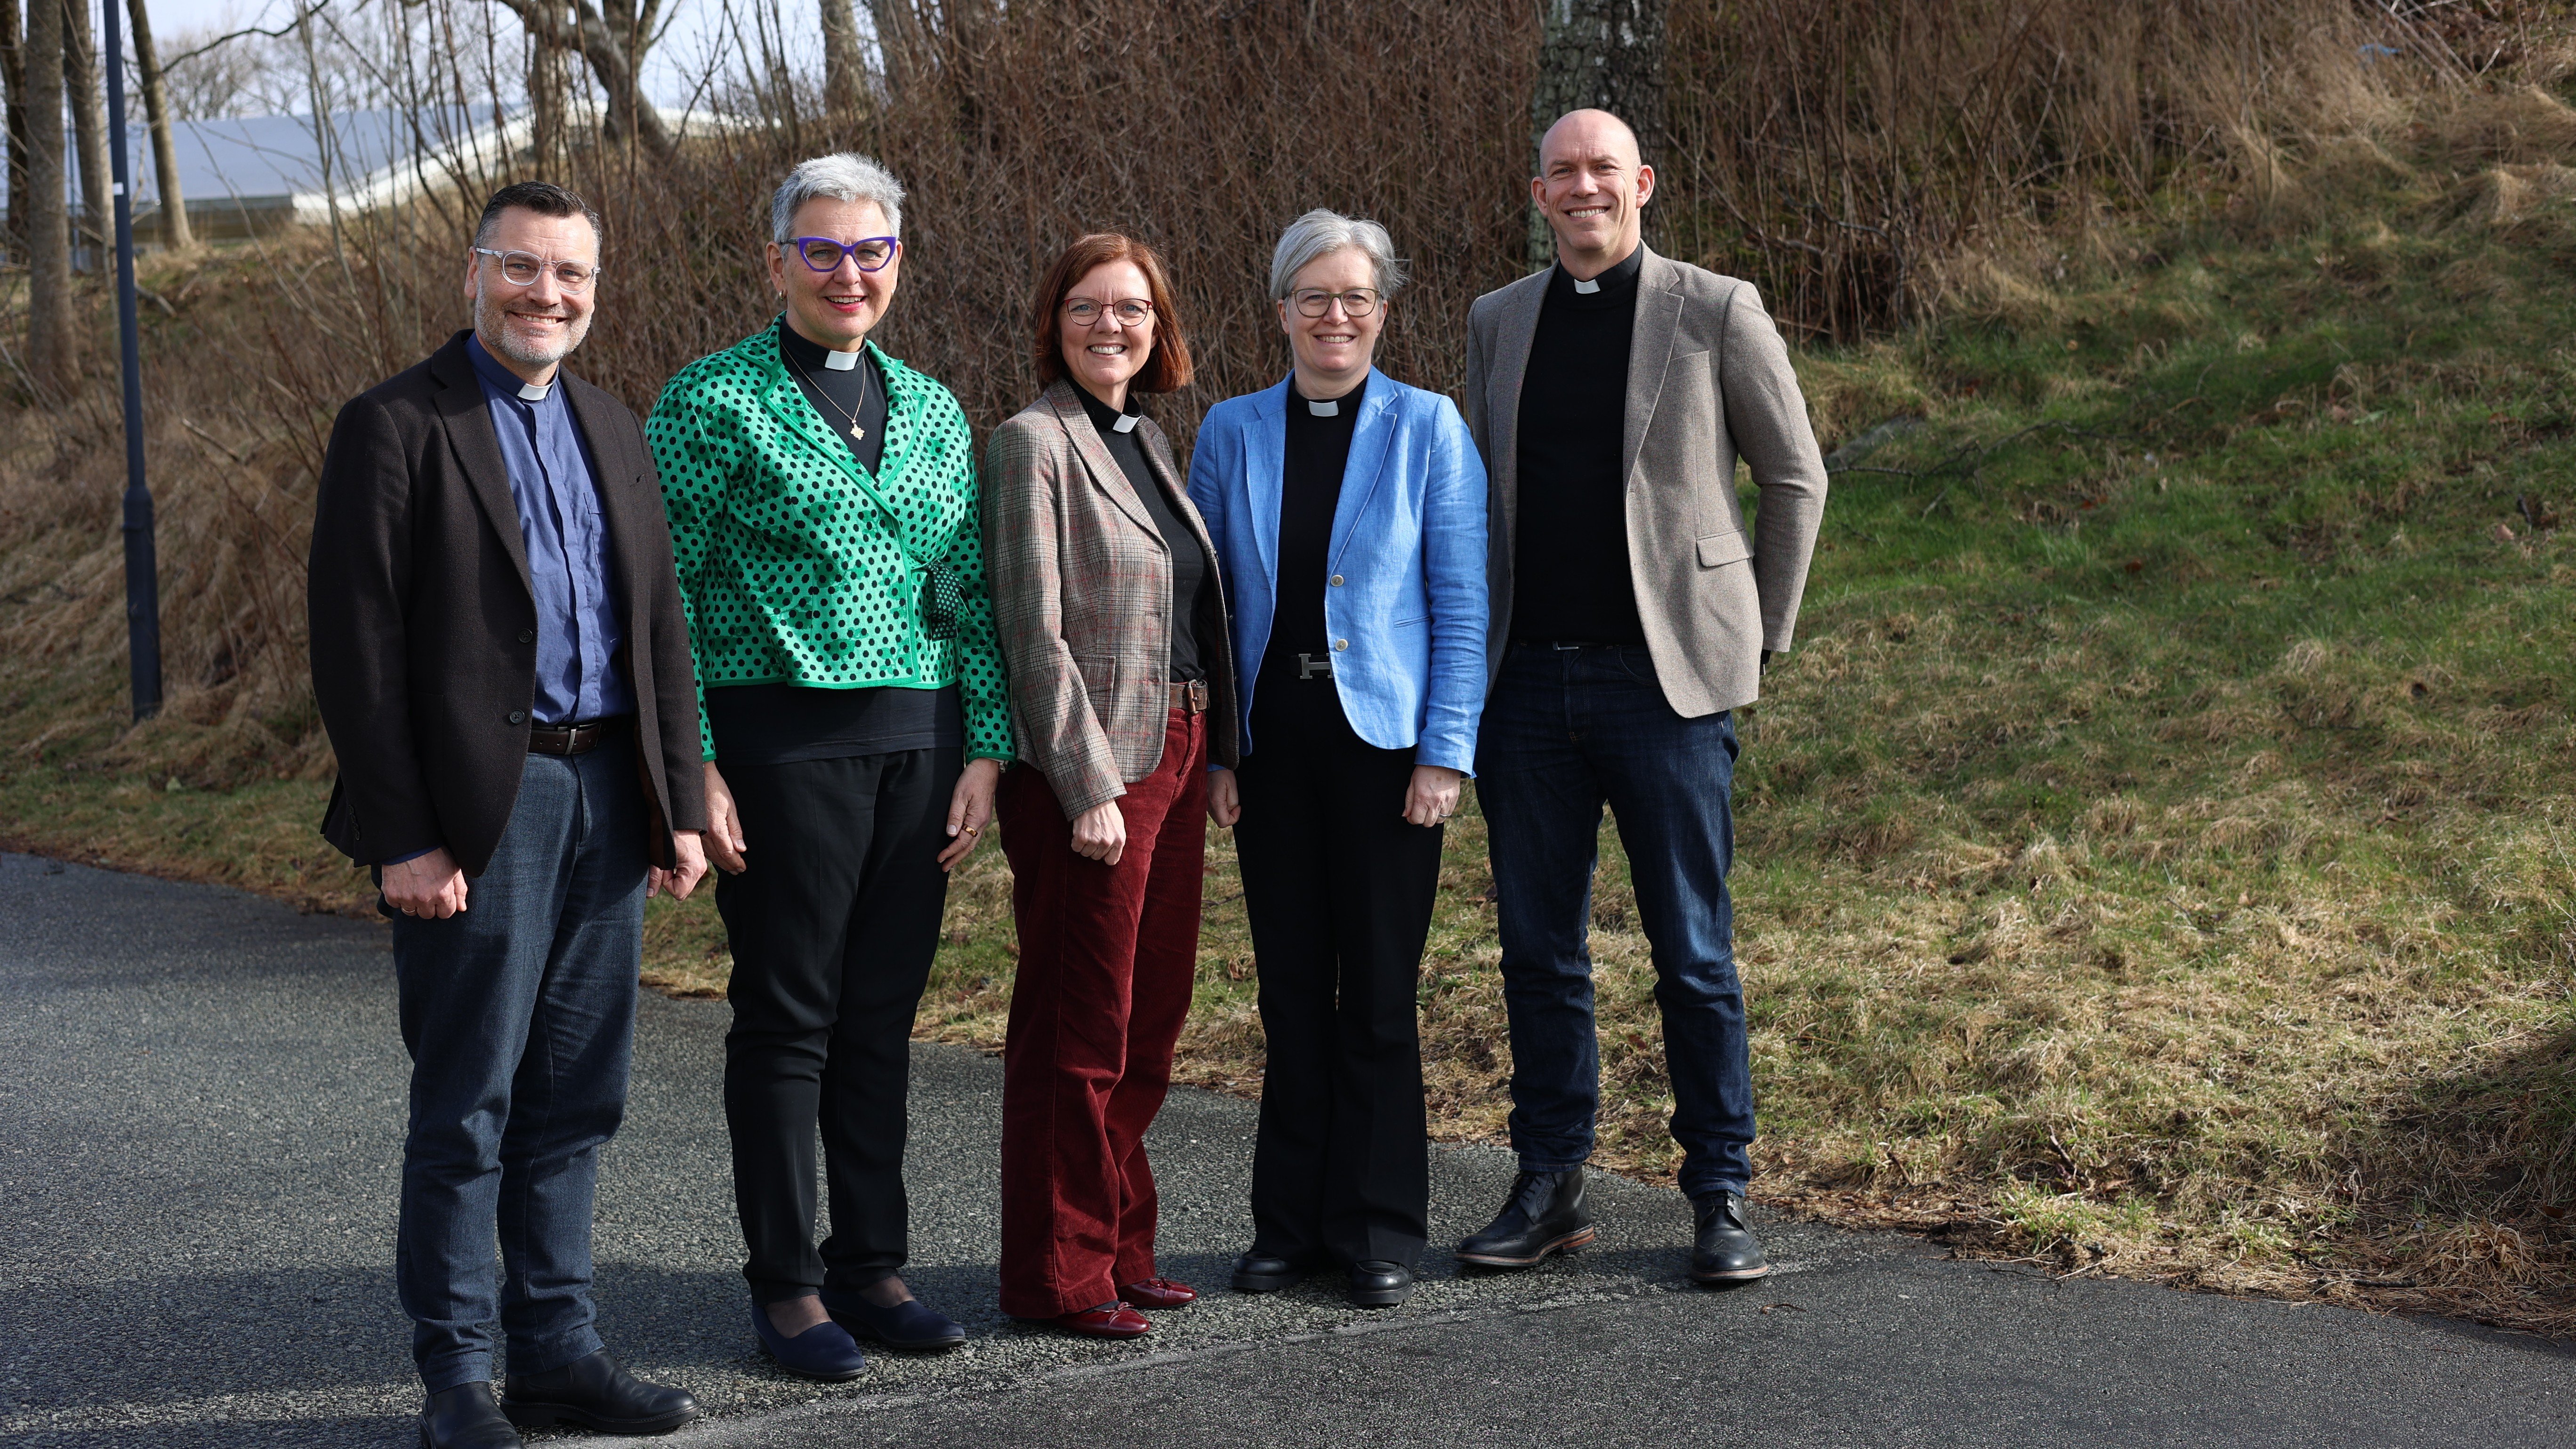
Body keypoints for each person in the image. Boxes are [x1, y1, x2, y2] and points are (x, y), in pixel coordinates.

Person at [308, 180, 708, 1448]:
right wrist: (403, 835)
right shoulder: (395, 425)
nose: (550, 295)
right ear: (473, 274)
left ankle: (558, 1351)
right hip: (486, 809)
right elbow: (356, 648)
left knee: (579, 1096)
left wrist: (680, 800)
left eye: (574, 276)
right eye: (524, 269)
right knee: (470, 1097)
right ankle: (462, 1380)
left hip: (607, 791)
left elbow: (660, 627)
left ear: (597, 289)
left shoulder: (611, 423)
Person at [647, 154, 1007, 1378]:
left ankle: (874, 1262)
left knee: (880, 1017)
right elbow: (670, 597)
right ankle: (789, 1284)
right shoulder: (710, 403)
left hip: (920, 745)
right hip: (781, 741)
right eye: (822, 249)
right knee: (790, 1015)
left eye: (872, 250)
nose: (848, 271)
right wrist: (693, 760)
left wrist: (988, 752)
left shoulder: (938, 409)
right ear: (777, 260)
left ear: (897, 261)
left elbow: (965, 591)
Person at [1457, 109, 1827, 1283]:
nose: (1583, 189)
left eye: (1602, 170)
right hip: (1524, 689)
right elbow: (1478, 500)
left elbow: (1794, 476)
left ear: (1643, 185)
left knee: (1694, 955)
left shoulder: (1716, 309)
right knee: (1539, 955)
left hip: (1667, 687)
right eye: (1562, 173)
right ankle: (1550, 1183)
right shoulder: (1496, 322)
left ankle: (1719, 1192)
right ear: (1538, 193)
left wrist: (1758, 638)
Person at [1188, 210, 1487, 1309]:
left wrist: (1446, 754)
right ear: (1280, 311)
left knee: (1379, 999)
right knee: (1288, 996)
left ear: (1383, 311)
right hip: (1272, 753)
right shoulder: (1230, 431)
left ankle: (1378, 1230)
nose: (1335, 316)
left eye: (1356, 297)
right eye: (1313, 297)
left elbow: (1461, 603)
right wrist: (1220, 751)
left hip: (1386, 755)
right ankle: (1290, 1228)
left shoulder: (1429, 427)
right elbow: (1207, 611)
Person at [983, 233, 1238, 1339]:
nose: (1111, 326)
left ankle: (1122, 1244)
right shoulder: (1031, 442)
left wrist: (1219, 749)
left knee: (1150, 1019)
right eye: (1088, 307)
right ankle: (1057, 1272)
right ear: (1056, 320)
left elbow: (1191, 610)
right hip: (1094, 768)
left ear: (1159, 325)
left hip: (1177, 752)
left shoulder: (1147, 439)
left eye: (1131, 308)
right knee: (1077, 1027)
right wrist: (1085, 781)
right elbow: (1030, 628)